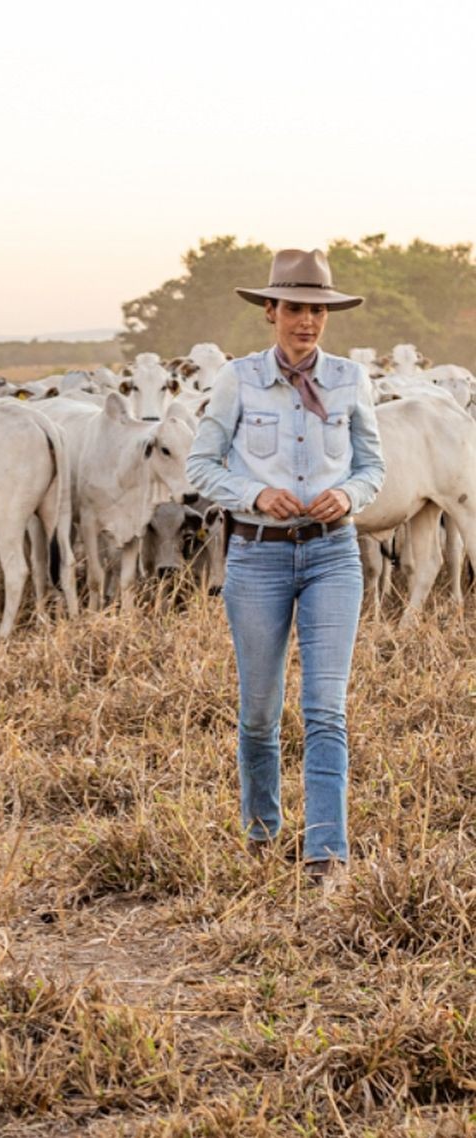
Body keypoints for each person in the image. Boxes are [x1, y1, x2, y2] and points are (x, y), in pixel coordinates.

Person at [185, 248, 386, 889]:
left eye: (318, 310)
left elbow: (372, 466)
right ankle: (261, 834)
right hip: (257, 556)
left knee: (326, 707)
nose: (307, 321)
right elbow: (200, 466)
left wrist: (350, 495)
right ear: (270, 311)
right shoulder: (237, 380)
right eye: (296, 308)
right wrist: (253, 494)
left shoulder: (352, 380)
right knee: (259, 712)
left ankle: (327, 856)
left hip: (333, 553)